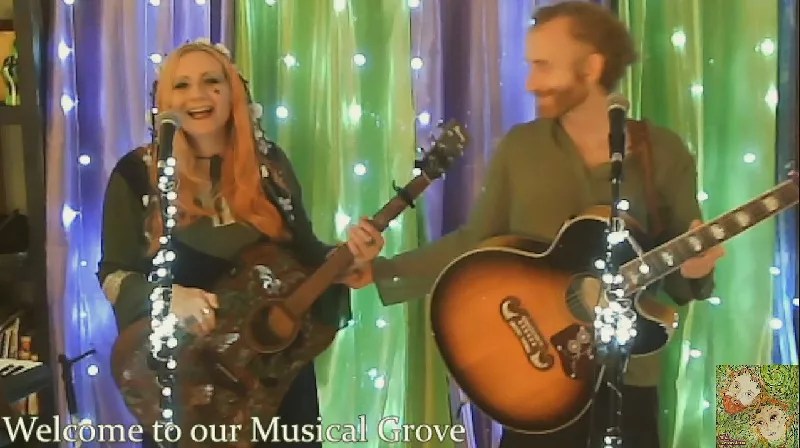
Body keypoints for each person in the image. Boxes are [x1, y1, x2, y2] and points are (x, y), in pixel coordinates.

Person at [345, 2, 726, 448]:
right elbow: (475, 242)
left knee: (755, 419)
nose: (530, 82)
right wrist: (383, 271)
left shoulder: (662, 150)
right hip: (536, 380)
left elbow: (680, 279)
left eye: (543, 66)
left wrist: (696, 271)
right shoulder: (521, 147)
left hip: (627, 385)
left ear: (591, 67)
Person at [97, 39, 383, 447]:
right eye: (182, 85)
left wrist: (349, 260)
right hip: (194, 390)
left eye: (211, 81)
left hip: (276, 379)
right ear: (164, 101)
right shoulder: (137, 175)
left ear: (233, 92)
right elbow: (113, 275)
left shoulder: (271, 166)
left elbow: (304, 257)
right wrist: (168, 298)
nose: (198, 95)